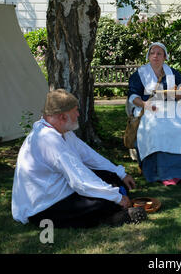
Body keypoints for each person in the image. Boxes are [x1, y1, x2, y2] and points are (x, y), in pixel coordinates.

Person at [12, 89, 147, 228]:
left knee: (114, 179)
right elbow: (80, 181)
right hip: (43, 207)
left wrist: (120, 174)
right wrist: (117, 198)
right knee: (103, 201)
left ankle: (113, 207)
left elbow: (89, 155)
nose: (78, 114)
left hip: (62, 190)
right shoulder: (49, 140)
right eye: (75, 111)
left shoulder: (61, 131)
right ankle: (113, 214)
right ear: (63, 117)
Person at [128, 42, 181, 186]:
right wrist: (145, 104)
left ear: (165, 57)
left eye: (159, 53)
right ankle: (159, 173)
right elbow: (133, 96)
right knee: (157, 130)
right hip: (149, 108)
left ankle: (179, 172)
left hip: (170, 108)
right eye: (152, 53)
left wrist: (179, 94)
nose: (155, 56)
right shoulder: (139, 74)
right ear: (148, 56)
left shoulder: (172, 73)